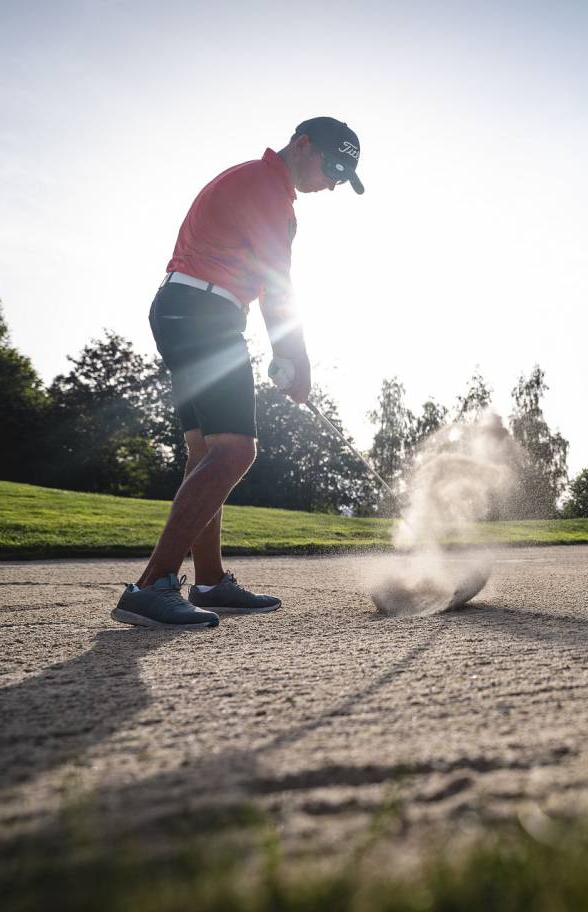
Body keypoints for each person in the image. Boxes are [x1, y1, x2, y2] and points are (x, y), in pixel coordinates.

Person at [111, 117, 364, 630]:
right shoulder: (266, 188)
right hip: (204, 311)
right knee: (236, 450)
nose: (334, 181)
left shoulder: (259, 183)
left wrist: (283, 354)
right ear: (302, 145)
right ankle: (152, 585)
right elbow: (277, 283)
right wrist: (296, 359)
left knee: (206, 452)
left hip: (187, 308)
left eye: (345, 175)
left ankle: (208, 581)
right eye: (334, 166)